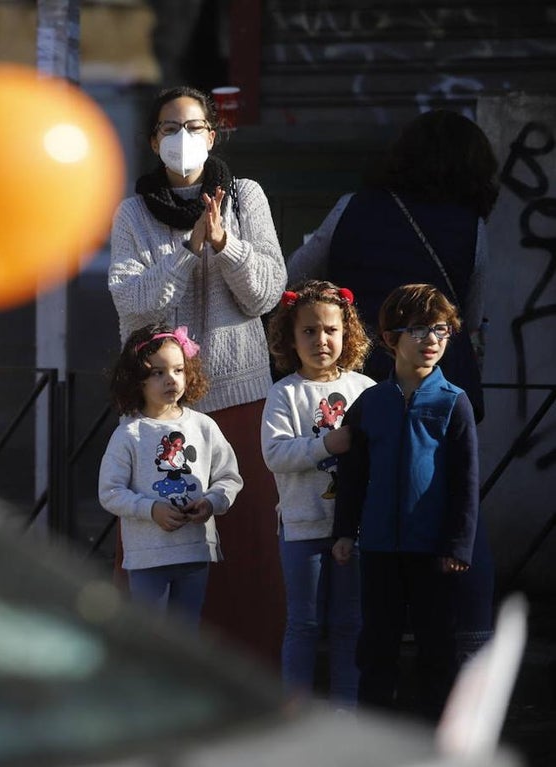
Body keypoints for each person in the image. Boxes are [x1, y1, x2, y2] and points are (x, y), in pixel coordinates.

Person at [107, 85, 287, 666]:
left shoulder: (245, 196)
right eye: (168, 128)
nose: (181, 139)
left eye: (193, 127)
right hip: (160, 408)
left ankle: (252, 674)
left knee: (244, 543)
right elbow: (133, 305)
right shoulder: (133, 213)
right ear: (153, 138)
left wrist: (226, 244)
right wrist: (186, 250)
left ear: (213, 134)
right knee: (157, 545)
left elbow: (266, 292)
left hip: (238, 398)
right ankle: (154, 675)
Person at [287, 109, 499, 425]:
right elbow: (468, 315)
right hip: (433, 385)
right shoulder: (472, 228)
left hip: (356, 375)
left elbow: (295, 274)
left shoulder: (353, 206)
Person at [331, 283, 479, 722]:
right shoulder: (371, 403)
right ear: (392, 338)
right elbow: (353, 475)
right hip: (378, 548)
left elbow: (466, 481)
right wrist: (344, 532)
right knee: (377, 644)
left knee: (437, 646)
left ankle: (440, 733)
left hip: (434, 551)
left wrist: (458, 546)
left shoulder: (455, 403)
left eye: (441, 329)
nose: (432, 339)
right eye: (419, 329)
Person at [260, 280, 375, 711]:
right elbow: (274, 454)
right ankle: (295, 714)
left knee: (349, 624)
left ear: (346, 334)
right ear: (291, 337)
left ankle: (346, 712)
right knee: (304, 624)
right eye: (309, 331)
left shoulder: (365, 388)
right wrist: (327, 444)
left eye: (330, 329)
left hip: (355, 529)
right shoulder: (284, 392)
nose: (321, 339)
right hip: (302, 526)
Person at [99, 323, 243, 627]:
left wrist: (211, 503)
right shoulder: (130, 433)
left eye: (178, 370)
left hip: (195, 552)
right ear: (137, 380)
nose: (171, 379)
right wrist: (151, 509)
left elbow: (229, 478)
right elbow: (110, 492)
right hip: (148, 557)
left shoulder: (204, 426)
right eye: (158, 372)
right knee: (151, 640)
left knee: (185, 637)